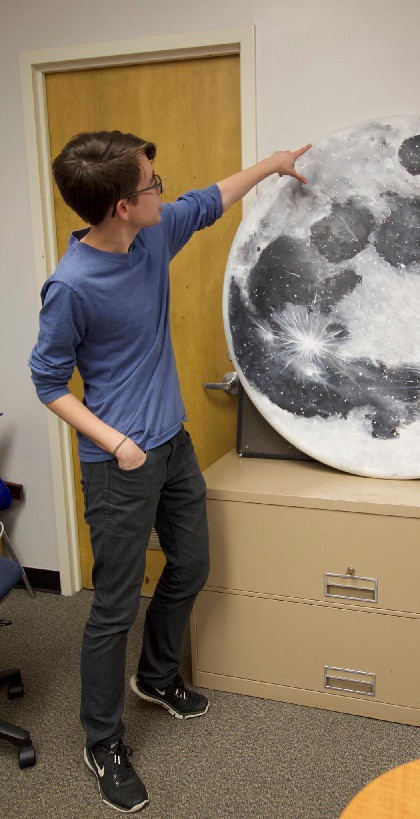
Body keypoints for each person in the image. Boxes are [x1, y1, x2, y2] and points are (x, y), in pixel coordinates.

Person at [28, 130, 310, 814]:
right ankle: (104, 741)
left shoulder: (152, 234)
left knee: (191, 564)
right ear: (122, 206)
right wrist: (117, 442)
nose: (162, 190)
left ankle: (155, 677)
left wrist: (273, 166)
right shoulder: (69, 286)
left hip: (173, 444)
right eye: (151, 184)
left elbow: (209, 199)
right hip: (118, 464)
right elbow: (46, 381)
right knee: (113, 607)